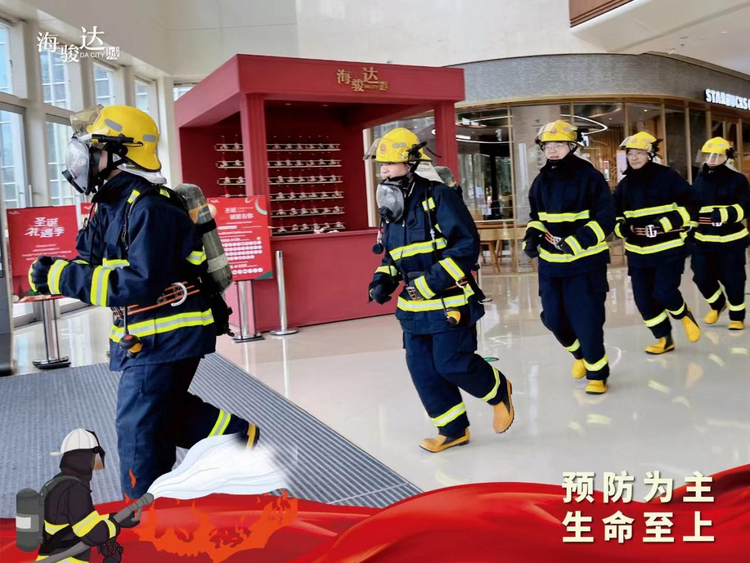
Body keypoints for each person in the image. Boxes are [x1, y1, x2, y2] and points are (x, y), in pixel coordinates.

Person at [29, 105, 259, 499]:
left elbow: (140, 282)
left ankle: (143, 510)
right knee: (163, 410)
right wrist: (60, 270)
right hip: (146, 335)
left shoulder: (153, 207)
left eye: (93, 152)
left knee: (139, 426)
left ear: (121, 153)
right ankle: (239, 439)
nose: (84, 163)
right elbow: (95, 262)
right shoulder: (112, 204)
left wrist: (61, 277)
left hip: (167, 335)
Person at [366, 127, 513, 453]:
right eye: (381, 164)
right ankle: (452, 429)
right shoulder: (391, 204)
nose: (384, 170)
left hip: (449, 301)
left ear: (410, 162)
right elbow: (393, 255)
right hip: (413, 308)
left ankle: (498, 390)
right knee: (422, 369)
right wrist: (382, 280)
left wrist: (428, 283)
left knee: (452, 363)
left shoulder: (440, 196)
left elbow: (465, 247)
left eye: (389, 163)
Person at [522, 120, 615, 394]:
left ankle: (597, 374)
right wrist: (532, 236)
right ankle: (580, 355)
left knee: (587, 321)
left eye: (559, 144)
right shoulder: (541, 181)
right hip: (551, 266)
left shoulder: (590, 177)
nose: (552, 150)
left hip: (585, 264)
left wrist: (575, 243)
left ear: (572, 146)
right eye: (548, 145)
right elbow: (537, 217)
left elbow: (605, 219)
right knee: (553, 318)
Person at [613, 132, 701, 354]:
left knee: (664, 291)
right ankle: (664, 338)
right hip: (637, 252)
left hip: (668, 248)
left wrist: (668, 221)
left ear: (650, 154)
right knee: (643, 300)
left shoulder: (668, 177)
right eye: (630, 154)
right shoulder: (624, 185)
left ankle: (684, 315)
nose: (634, 158)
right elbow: (615, 215)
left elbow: (692, 205)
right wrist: (622, 227)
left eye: (639, 153)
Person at [37, 429, 139, 563]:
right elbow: (93, 535)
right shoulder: (75, 490)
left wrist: (113, 517)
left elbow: (79, 521)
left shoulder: (58, 482)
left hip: (51, 554)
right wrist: (114, 526)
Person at [690, 137, 750, 330]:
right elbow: (693, 207)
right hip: (704, 240)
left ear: (727, 157)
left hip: (731, 241)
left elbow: (745, 206)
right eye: (708, 155)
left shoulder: (738, 179)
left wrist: (727, 214)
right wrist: (690, 227)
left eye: (716, 155)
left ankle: (737, 317)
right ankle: (718, 304)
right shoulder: (700, 179)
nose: (711, 159)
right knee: (701, 276)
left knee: (734, 279)